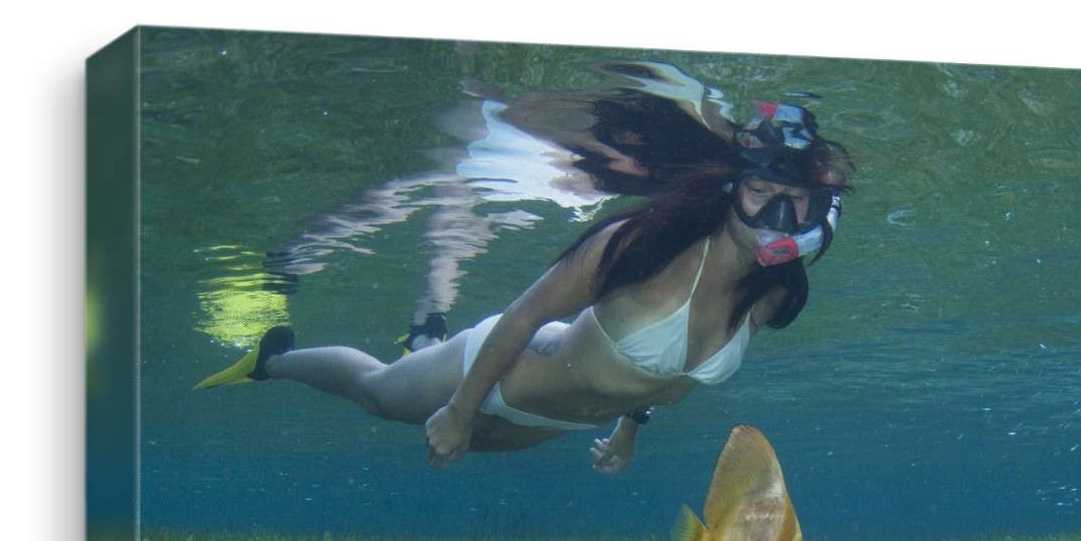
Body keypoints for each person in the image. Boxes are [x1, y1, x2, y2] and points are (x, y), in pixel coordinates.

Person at [196, 104, 852, 475]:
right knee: (378, 394)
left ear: (821, 208)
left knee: (468, 446)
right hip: (505, 369)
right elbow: (524, 312)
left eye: (797, 203)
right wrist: (457, 409)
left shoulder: (773, 295)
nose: (777, 221)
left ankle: (427, 338)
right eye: (762, 194)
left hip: (557, 422)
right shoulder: (642, 245)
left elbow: (666, 377)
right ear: (732, 190)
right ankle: (273, 359)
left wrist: (629, 432)